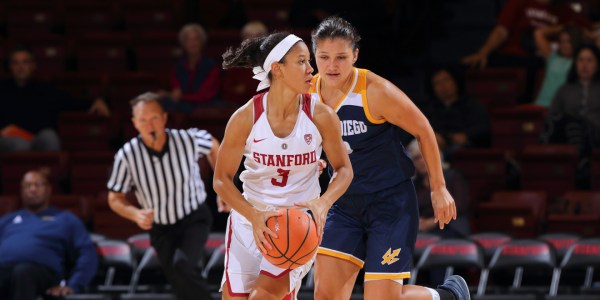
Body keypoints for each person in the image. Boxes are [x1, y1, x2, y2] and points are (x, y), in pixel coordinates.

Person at [310, 17, 470, 300]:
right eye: (324, 57)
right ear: (314, 55)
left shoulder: (374, 90)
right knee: (326, 296)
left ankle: (447, 295)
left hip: (389, 203)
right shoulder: (307, 93)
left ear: (355, 55)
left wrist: (438, 187)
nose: (332, 66)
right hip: (343, 203)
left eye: (341, 57)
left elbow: (423, 130)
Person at [213, 32, 353, 299]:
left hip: (296, 225)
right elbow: (221, 179)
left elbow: (345, 170)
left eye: (309, 61)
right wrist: (253, 216)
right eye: (301, 61)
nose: (311, 69)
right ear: (276, 69)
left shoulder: (321, 115)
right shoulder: (245, 117)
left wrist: (323, 203)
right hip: (249, 222)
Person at [107, 92, 219, 300]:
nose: (149, 125)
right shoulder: (127, 155)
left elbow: (212, 144)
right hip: (160, 227)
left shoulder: (186, 140)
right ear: (134, 123)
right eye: (143, 120)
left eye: (154, 118)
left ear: (164, 118)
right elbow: (114, 198)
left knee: (181, 266)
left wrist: (222, 184)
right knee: (178, 281)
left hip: (194, 216)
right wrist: (135, 214)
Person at [0, 170, 98, 300]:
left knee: (22, 272)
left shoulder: (65, 219)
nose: (33, 189)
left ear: (48, 189)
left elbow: (87, 253)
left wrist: (74, 285)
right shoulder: (8, 220)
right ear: (21, 190)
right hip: (6, 271)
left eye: (38, 184)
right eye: (27, 185)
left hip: (43, 273)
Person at [0, 45, 110, 153]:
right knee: (20, 144)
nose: (20, 67)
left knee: (50, 136)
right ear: (10, 66)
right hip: (10, 139)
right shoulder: (2, 90)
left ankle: (51, 170)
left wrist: (95, 102)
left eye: (25, 62)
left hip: (38, 138)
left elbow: (71, 102)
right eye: (16, 63)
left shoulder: (45, 90)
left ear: (33, 65)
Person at [541, 44, 600, 189]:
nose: (584, 65)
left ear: (597, 64)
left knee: (575, 122)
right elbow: (553, 118)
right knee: (560, 121)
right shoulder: (564, 90)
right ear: (575, 64)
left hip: (595, 135)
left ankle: (579, 162)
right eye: (580, 60)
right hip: (567, 137)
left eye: (589, 60)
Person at [421, 68, 491, 161]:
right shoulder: (429, 109)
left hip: (465, 148)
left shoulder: (472, 104)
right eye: (437, 83)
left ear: (455, 82)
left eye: (446, 80)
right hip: (436, 147)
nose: (443, 86)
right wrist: (432, 136)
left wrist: (467, 136)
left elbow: (483, 127)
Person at [406, 140, 470, 239]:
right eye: (417, 158)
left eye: (425, 155)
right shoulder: (414, 184)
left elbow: (460, 206)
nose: (422, 161)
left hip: (451, 228)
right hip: (422, 230)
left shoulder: (452, 176)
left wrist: (433, 222)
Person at [161, 23, 221, 113]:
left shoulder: (212, 66)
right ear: (183, 43)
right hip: (183, 105)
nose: (192, 43)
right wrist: (171, 95)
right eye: (188, 40)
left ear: (202, 42)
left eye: (195, 39)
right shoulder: (178, 66)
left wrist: (179, 96)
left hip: (205, 106)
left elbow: (205, 96)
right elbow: (176, 91)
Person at [534, 25, 583, 107]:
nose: (564, 45)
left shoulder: (581, 61)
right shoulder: (553, 57)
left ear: (575, 41)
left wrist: (583, 31)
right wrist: (561, 28)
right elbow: (538, 33)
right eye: (561, 42)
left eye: (568, 42)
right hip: (540, 105)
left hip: (561, 109)